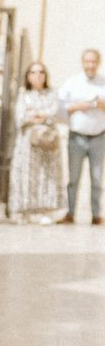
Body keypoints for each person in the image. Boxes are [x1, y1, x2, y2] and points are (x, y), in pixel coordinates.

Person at [8, 62, 63, 223]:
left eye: (41, 72)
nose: (37, 75)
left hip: (47, 141)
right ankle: (24, 210)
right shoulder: (23, 94)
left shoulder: (52, 93)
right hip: (27, 143)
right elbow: (20, 117)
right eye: (33, 72)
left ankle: (45, 210)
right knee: (26, 174)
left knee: (46, 175)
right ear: (28, 76)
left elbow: (54, 112)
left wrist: (36, 114)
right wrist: (40, 115)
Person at [58, 47, 105, 224]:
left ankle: (96, 214)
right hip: (76, 136)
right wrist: (80, 106)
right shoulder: (73, 82)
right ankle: (70, 213)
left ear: (98, 63)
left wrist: (101, 105)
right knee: (73, 178)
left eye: (93, 61)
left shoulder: (103, 82)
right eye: (87, 61)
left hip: (98, 136)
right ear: (83, 62)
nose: (90, 65)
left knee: (97, 178)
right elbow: (61, 106)